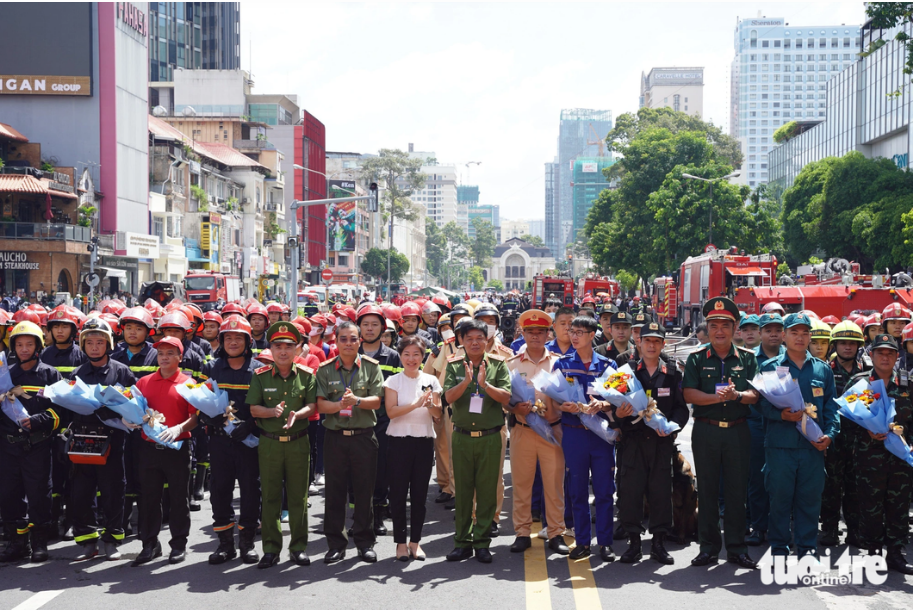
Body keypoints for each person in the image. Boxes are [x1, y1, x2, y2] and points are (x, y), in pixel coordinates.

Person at [682, 297, 760, 569]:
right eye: (713, 325)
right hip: (707, 431)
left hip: (738, 432)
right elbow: (689, 393)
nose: (719, 330)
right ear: (707, 327)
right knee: (708, 490)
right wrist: (718, 398)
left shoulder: (748, 359)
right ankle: (709, 548)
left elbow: (756, 394)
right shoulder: (696, 358)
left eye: (725, 325)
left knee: (737, 492)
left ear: (735, 327)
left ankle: (737, 548)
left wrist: (736, 395)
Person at [755, 314, 839, 558]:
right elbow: (758, 404)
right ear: (784, 336)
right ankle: (779, 549)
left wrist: (831, 435)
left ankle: (807, 549)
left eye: (804, 333)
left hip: (812, 448)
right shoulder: (770, 367)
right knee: (780, 501)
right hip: (780, 447)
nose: (800, 337)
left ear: (810, 336)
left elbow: (832, 408)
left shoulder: (822, 370)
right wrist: (781, 416)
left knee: (809, 502)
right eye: (794, 332)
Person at [614, 322, 689, 564]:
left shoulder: (674, 371)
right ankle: (634, 543)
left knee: (660, 493)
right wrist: (620, 416)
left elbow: (681, 408)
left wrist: (672, 429)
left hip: (660, 443)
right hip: (633, 442)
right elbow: (614, 406)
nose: (652, 345)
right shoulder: (625, 370)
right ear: (640, 342)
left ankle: (658, 543)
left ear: (663, 344)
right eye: (647, 340)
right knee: (631, 493)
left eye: (657, 341)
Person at [246, 321, 316, 568]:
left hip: (298, 443)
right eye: (278, 346)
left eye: (289, 346)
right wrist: (270, 412)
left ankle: (298, 547)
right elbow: (253, 408)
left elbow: (313, 405)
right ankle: (271, 549)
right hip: (270, 444)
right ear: (271, 349)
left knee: (298, 497)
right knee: (271, 497)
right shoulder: (260, 376)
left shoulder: (307, 376)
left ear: (297, 349)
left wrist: (300, 413)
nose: (283, 351)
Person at [443, 319, 511, 563]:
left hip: (490, 437)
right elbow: (448, 397)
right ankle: (462, 542)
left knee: (486, 492)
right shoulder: (453, 365)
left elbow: (506, 397)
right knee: (462, 492)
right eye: (469, 338)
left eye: (479, 338)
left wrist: (485, 384)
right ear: (461, 340)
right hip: (462, 437)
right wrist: (465, 382)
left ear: (487, 340)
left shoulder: (498, 364)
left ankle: (482, 542)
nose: (474, 342)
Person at [316, 321, 384, 564]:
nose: (348, 343)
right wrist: (339, 406)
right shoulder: (325, 369)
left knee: (364, 493)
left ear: (360, 342)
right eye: (343, 339)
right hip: (335, 438)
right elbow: (321, 405)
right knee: (334, 494)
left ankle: (365, 543)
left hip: (363, 438)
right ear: (336, 341)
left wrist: (355, 401)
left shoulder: (371, 367)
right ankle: (336, 544)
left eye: (353, 339)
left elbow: (377, 401)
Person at [845, 334, 912, 575]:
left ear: (897, 357)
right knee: (870, 505)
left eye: (890, 353)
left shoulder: (907, 384)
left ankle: (895, 553)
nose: (885, 357)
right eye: (880, 353)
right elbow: (845, 419)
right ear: (871, 356)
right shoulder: (861, 383)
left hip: (900, 459)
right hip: (868, 457)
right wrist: (868, 432)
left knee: (899, 506)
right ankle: (872, 552)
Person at [69, 318, 136, 562]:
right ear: (83, 345)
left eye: (100, 342)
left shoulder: (122, 371)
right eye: (90, 342)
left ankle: (111, 540)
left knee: (112, 491)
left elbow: (135, 404)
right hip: (83, 440)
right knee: (81, 493)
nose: (94, 347)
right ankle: (87, 541)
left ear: (108, 344)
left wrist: (111, 412)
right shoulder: (77, 373)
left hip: (112, 441)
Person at [199, 316, 263, 566]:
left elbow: (265, 405)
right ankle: (225, 545)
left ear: (248, 341)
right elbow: (199, 400)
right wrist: (207, 418)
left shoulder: (259, 369)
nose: (233, 342)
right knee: (220, 492)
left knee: (250, 491)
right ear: (221, 340)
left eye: (239, 337)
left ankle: (247, 543)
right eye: (228, 337)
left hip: (249, 442)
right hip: (219, 442)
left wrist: (250, 425)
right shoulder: (211, 368)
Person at [504, 310, 569, 556]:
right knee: (522, 484)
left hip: (552, 430)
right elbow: (503, 398)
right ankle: (521, 533)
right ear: (523, 333)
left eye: (540, 332)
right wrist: (512, 406)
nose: (535, 336)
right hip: (522, 430)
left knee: (554, 485)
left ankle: (555, 533)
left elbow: (567, 395)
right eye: (530, 332)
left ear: (547, 334)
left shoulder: (558, 362)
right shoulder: (512, 363)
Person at [553, 315, 616, 562]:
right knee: (577, 491)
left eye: (580, 332)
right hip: (574, 434)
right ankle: (582, 542)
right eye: (572, 331)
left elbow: (621, 396)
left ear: (592, 335)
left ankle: (605, 543)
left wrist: (604, 403)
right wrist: (563, 407)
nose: (575, 336)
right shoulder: (563, 364)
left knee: (604, 492)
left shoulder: (608, 365)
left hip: (601, 436)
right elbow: (554, 398)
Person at [0, 321, 65, 563]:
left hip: (37, 446)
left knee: (39, 495)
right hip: (7, 447)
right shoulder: (6, 375)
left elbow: (62, 412)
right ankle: (17, 543)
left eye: (29, 344)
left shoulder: (50, 374)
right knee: (9, 495)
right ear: (12, 347)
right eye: (19, 344)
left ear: (38, 345)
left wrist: (39, 420)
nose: (24, 349)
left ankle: (39, 543)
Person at [132, 336, 199, 566]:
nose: (164, 357)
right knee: (149, 498)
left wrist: (178, 428)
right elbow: (135, 409)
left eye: (170, 353)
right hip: (149, 449)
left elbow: (194, 418)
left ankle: (178, 544)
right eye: (161, 353)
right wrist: (130, 419)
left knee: (179, 497)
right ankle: (150, 544)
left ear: (180, 357)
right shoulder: (144, 382)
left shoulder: (188, 384)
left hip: (177, 448)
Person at [383, 335, 442, 561]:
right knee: (398, 494)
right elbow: (391, 412)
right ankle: (400, 543)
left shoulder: (431, 381)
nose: (411, 358)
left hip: (423, 442)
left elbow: (438, 416)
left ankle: (415, 542)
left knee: (420, 495)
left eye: (416, 354)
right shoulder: (393, 381)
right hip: (398, 442)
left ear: (423, 355)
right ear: (400, 355)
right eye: (406, 354)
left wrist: (431, 406)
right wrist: (416, 404)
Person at [819, 321, 869, 547]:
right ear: (834, 345)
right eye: (843, 343)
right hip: (833, 439)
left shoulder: (868, 371)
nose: (847, 347)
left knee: (855, 487)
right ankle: (829, 530)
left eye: (852, 343)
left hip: (860, 440)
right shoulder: (824, 370)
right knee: (831, 487)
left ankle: (854, 531)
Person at [356, 304, 404, 536]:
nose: (370, 328)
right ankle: (359, 516)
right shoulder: (349, 352)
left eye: (375, 324)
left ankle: (379, 514)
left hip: (383, 422)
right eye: (365, 324)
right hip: (354, 422)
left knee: (381, 470)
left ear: (383, 328)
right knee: (355, 472)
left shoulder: (393, 356)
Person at [745, 312, 785, 547]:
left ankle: (779, 527)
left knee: (781, 479)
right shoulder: (749, 358)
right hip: (756, 425)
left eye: (777, 330)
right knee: (757, 478)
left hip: (784, 424)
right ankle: (758, 526)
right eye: (768, 330)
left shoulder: (792, 357)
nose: (773, 334)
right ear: (760, 333)